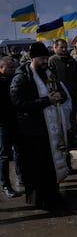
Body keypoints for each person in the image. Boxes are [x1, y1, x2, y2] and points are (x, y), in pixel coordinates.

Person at [10, 42, 71, 211]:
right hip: (31, 132)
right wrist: (46, 101)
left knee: (50, 166)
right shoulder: (22, 77)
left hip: (49, 130)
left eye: (46, 58)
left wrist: (60, 96)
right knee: (37, 168)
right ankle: (41, 201)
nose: (45, 62)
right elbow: (18, 103)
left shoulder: (49, 74)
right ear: (32, 59)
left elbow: (64, 94)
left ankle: (53, 196)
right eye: (41, 58)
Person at [48, 39, 77, 171]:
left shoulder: (71, 60)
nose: (64, 49)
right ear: (55, 47)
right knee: (62, 124)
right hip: (60, 99)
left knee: (72, 119)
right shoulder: (52, 60)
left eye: (65, 47)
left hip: (72, 96)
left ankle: (73, 139)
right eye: (61, 47)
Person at [0, 56, 21, 198]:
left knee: (19, 151)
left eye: (14, 67)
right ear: (1, 68)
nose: (13, 70)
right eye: (10, 68)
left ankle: (21, 178)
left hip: (16, 121)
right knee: (4, 156)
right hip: (3, 124)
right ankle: (5, 184)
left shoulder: (15, 80)